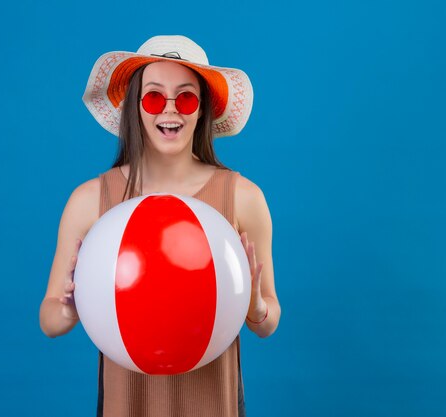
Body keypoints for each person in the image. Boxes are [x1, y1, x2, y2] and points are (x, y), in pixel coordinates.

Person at [39, 35, 281, 417]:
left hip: (213, 403)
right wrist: (69, 309)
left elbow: (268, 321)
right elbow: (49, 319)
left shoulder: (243, 197)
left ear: (202, 110)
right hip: (126, 403)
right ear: (135, 107)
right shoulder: (89, 200)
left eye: (185, 98)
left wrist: (254, 307)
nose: (170, 110)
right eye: (154, 97)